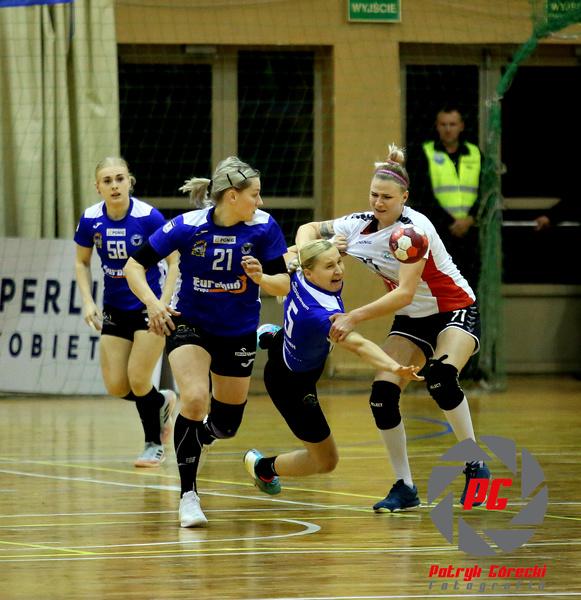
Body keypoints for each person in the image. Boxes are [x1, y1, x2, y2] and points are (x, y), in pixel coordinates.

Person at [295, 144, 490, 512]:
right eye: (374, 195)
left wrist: (352, 317)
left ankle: (476, 466)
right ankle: (405, 486)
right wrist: (319, 247)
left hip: (452, 309)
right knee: (382, 394)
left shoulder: (414, 232)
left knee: (441, 378)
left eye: (386, 197)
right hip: (412, 319)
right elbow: (308, 229)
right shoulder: (359, 224)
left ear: (404, 198)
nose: (378, 202)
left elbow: (404, 293)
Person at [124, 156, 290, 528]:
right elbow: (134, 266)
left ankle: (193, 435)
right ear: (232, 196)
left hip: (238, 330)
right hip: (190, 323)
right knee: (196, 398)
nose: (260, 202)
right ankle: (189, 496)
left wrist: (262, 278)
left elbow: (284, 283)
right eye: (255, 194)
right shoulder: (187, 226)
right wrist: (154, 304)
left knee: (227, 425)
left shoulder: (264, 227)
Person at [243, 240, 423, 495]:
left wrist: (263, 277)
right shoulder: (322, 316)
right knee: (326, 462)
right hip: (290, 384)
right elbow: (359, 345)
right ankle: (262, 467)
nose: (338, 270)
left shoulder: (299, 271)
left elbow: (290, 262)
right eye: (329, 266)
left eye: (339, 262)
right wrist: (394, 367)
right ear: (309, 272)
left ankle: (273, 337)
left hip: (290, 346)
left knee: (294, 338)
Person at [74, 157, 180, 468]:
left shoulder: (148, 217)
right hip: (115, 307)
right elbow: (81, 261)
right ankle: (160, 401)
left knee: (138, 378)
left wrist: (162, 302)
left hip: (149, 307)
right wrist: (88, 301)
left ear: (129, 182)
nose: (114, 185)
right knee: (117, 386)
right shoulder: (91, 219)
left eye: (120, 178)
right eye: (107, 181)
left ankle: (153, 444)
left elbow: (175, 260)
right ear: (98, 187)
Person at [407, 105, 482, 292]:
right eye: (443, 124)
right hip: (438, 231)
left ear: (461, 126)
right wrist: (451, 222)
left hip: (470, 232)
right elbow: (422, 194)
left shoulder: (475, 153)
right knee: (441, 286)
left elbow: (484, 191)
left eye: (452, 124)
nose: (448, 129)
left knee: (469, 286)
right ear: (437, 126)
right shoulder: (425, 152)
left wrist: (470, 219)